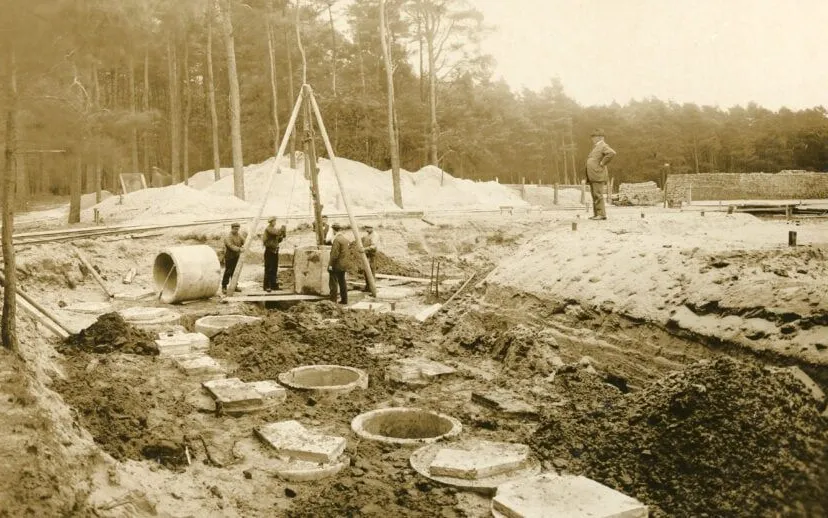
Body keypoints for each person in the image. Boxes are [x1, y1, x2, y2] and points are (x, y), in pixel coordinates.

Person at [585, 128, 616, 220]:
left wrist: (602, 163)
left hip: (597, 174)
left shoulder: (603, 145)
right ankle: (597, 214)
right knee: (595, 195)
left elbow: (612, 153)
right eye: (592, 137)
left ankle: (601, 214)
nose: (592, 139)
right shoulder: (596, 146)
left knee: (598, 195)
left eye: (594, 137)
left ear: (600, 138)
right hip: (593, 175)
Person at [327, 223, 349, 304]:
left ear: (333, 230)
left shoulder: (336, 240)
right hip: (343, 265)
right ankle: (344, 300)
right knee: (342, 282)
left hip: (336, 265)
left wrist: (330, 265)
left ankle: (332, 301)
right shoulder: (345, 239)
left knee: (333, 283)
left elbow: (334, 255)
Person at [262, 216, 286, 292]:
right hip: (269, 251)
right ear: (271, 222)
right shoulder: (269, 228)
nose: (275, 223)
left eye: (275, 221)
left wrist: (282, 235)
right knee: (269, 269)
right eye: (274, 221)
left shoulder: (273, 230)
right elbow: (276, 233)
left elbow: (278, 240)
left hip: (274, 250)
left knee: (274, 269)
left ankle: (273, 285)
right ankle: (266, 286)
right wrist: (282, 230)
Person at [222, 222, 246, 293]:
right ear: (232, 228)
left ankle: (234, 286)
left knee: (235, 272)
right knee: (228, 272)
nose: (236, 230)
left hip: (236, 256)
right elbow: (231, 246)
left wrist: (245, 244)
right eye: (235, 229)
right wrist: (239, 249)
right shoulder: (228, 237)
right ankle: (224, 286)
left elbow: (244, 241)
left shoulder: (238, 235)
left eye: (238, 229)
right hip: (229, 257)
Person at [361, 224, 380, 291]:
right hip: (366, 255)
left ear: (372, 228)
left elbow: (373, 246)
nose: (366, 229)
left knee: (371, 271)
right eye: (366, 228)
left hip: (372, 255)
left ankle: (372, 288)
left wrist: (365, 249)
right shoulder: (367, 235)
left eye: (368, 228)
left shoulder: (375, 235)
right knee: (366, 271)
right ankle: (367, 287)